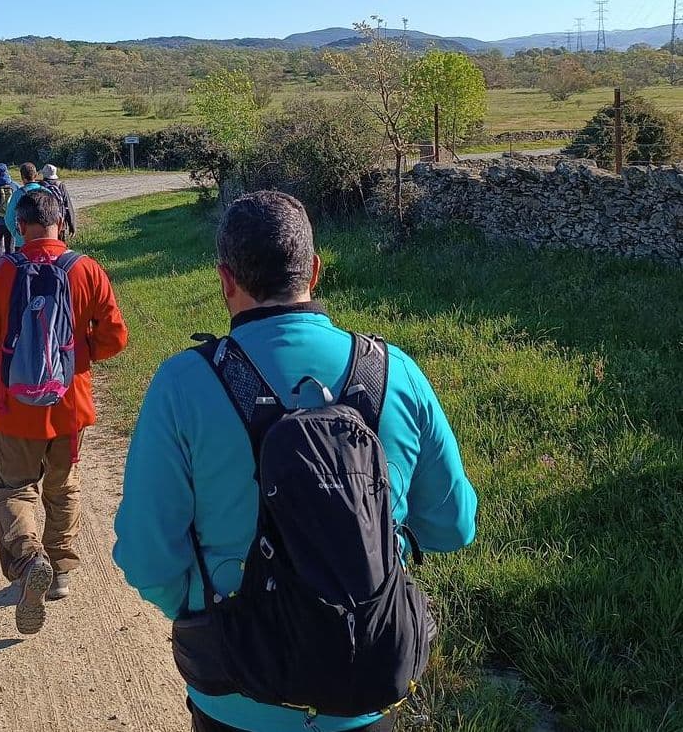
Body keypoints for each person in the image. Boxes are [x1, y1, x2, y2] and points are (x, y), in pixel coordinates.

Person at [112, 191, 479, 732]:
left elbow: (147, 557)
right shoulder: (395, 374)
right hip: (365, 686)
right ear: (314, 270)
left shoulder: (182, 385)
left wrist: (205, 612)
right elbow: (453, 528)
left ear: (225, 280)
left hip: (234, 693)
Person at [0, 188, 128, 635]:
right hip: (70, 406)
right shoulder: (85, 270)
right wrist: (78, 357)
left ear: (19, 226)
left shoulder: (1, 273)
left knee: (13, 489)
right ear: (62, 221)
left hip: (16, 409)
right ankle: (59, 571)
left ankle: (28, 557)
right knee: (63, 486)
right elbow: (115, 337)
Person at [3, 162, 47, 240]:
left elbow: (9, 218)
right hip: (43, 238)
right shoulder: (46, 192)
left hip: (23, 239)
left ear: (22, 177)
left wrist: (16, 234)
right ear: (36, 175)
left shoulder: (17, 194)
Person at [39, 164, 77, 241]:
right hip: (60, 224)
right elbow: (67, 206)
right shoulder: (60, 185)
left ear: (44, 174)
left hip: (44, 224)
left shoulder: (39, 186)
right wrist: (72, 225)